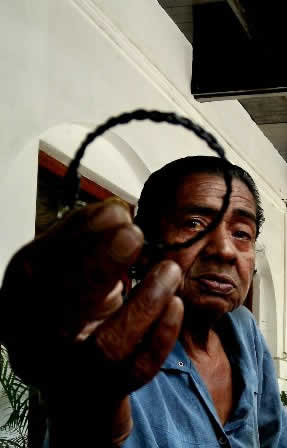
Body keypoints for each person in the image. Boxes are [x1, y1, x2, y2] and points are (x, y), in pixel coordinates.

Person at [0, 156, 286, 447]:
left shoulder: (243, 327)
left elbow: (272, 436)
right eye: (194, 224)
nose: (225, 250)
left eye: (241, 233)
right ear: (145, 245)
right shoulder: (106, 360)